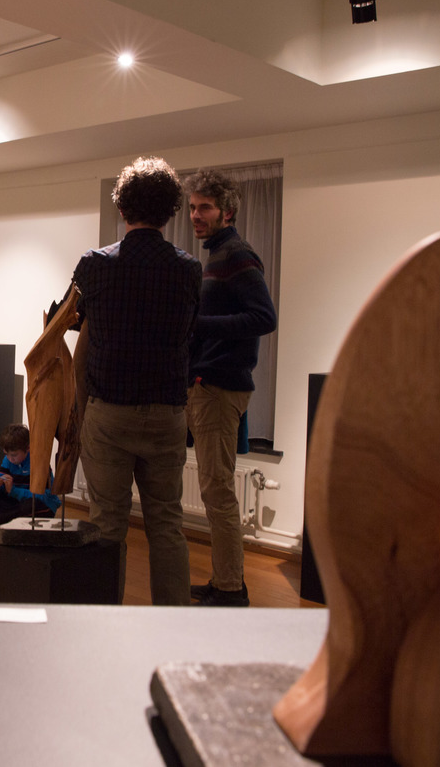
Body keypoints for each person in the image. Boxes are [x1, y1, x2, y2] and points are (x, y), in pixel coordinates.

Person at [72, 156, 201, 606]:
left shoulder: (95, 265)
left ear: (122, 207)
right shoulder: (188, 269)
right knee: (167, 525)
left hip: (109, 413)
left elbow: (74, 328)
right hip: (167, 413)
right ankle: (172, 624)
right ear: (169, 211)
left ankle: (107, 624)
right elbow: (189, 335)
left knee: (107, 524)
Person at [184, 168, 277, 607]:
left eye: (204, 207)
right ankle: (224, 580)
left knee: (217, 491)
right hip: (210, 384)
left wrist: (199, 324)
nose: (195, 215)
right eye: (192, 207)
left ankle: (230, 590)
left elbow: (264, 317)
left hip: (220, 387)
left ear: (227, 211)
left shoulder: (237, 254)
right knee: (214, 489)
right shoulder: (218, 255)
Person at [0, 423, 60, 526]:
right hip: (17, 503)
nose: (10, 459)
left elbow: (43, 497)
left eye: (14, 455)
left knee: (30, 505)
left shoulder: (39, 462)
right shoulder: (8, 460)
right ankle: (3, 517)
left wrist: (13, 491)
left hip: (41, 506)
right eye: (6, 454)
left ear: (28, 448)